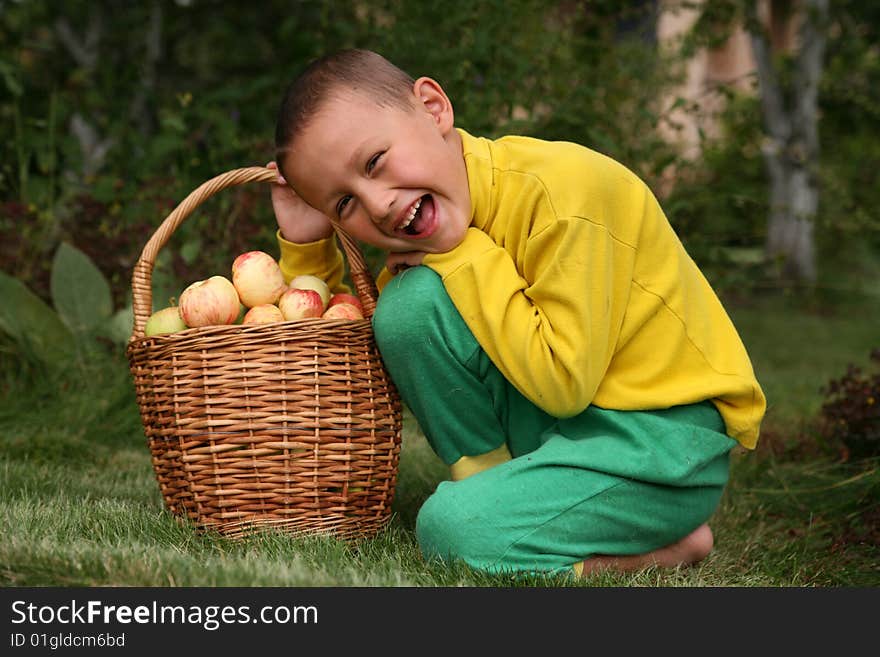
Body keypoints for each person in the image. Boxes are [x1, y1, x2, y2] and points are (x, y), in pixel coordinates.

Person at [268, 48, 766, 578]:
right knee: (406, 310)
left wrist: (466, 253)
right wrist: (306, 248)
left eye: (374, 163)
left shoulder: (566, 195)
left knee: (449, 531)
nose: (377, 204)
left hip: (659, 445)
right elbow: (354, 349)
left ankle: (664, 546)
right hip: (570, 426)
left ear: (434, 108)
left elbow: (563, 383)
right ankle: (498, 492)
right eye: (344, 203)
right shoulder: (433, 233)